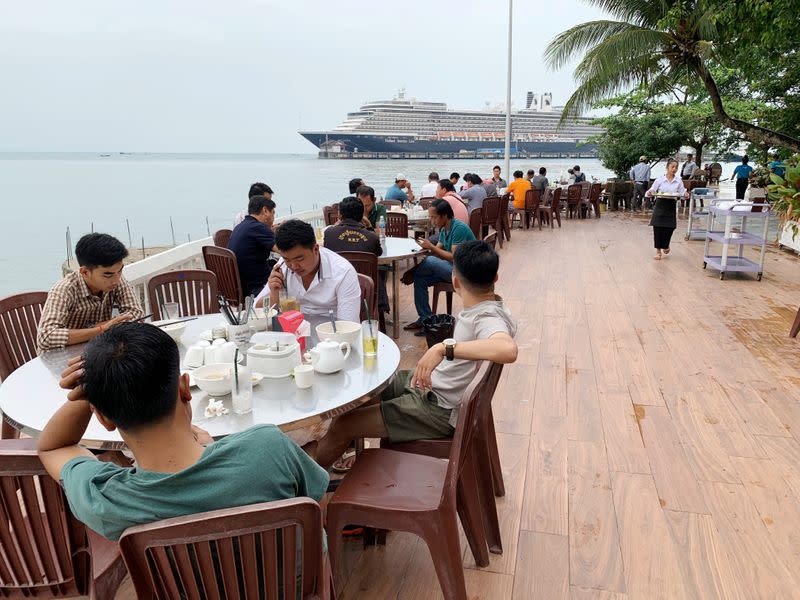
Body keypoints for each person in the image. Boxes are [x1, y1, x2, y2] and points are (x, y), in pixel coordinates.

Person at [36, 323, 328, 541]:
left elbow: (52, 447)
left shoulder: (108, 499)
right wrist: (210, 450)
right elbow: (317, 508)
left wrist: (94, 390)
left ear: (103, 418)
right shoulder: (267, 448)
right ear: (185, 389)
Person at [317, 240, 517, 467]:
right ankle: (350, 454)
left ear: (455, 281)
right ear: (495, 279)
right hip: (436, 388)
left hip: (440, 408)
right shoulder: (490, 307)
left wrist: (444, 347)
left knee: (345, 424)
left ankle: (305, 487)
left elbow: (507, 349)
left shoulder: (487, 317)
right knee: (367, 390)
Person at [37, 233, 143, 354]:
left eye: (120, 271)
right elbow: (45, 336)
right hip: (58, 358)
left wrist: (103, 328)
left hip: (96, 353)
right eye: (107, 275)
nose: (116, 279)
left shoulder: (115, 277)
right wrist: (102, 329)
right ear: (85, 272)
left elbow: (136, 314)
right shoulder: (64, 289)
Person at [256, 219, 361, 322]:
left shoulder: (342, 272)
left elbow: (349, 325)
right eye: (287, 259)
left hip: (331, 333)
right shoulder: (282, 267)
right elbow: (256, 310)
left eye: (299, 259)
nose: (294, 266)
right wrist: (274, 294)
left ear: (315, 249)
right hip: (293, 332)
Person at [403, 199, 475, 334]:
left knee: (429, 261)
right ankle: (426, 320)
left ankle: (412, 273)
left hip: (464, 271)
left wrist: (430, 248)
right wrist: (426, 248)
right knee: (420, 278)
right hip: (452, 268)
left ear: (445, 215)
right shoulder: (444, 229)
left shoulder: (458, 228)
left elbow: (454, 257)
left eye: (434, 217)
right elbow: (437, 251)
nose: (432, 220)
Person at [228, 196, 277, 296]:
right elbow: (285, 250)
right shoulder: (258, 227)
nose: (273, 218)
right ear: (265, 211)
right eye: (273, 213)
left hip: (240, 286)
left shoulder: (240, 226)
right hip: (256, 288)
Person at [645, 158, 688, 260]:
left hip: (671, 205)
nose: (674, 169)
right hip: (660, 204)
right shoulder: (660, 180)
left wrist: (685, 194)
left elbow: (682, 193)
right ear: (667, 167)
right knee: (658, 228)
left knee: (670, 227)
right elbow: (651, 191)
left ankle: (666, 245)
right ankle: (658, 251)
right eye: (672, 167)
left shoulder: (678, 181)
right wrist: (651, 193)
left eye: (676, 167)